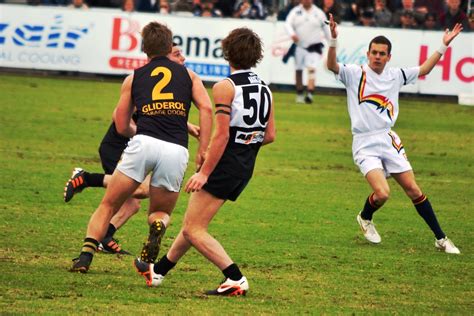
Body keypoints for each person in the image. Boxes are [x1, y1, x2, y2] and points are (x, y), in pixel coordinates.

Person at [134, 27, 276, 296]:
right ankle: (159, 271)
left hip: (225, 162)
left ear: (226, 52)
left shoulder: (225, 87)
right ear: (256, 56)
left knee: (193, 228)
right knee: (193, 223)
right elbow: (269, 135)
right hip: (245, 165)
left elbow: (221, 135)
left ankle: (235, 278)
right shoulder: (265, 88)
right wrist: (244, 146)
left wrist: (204, 172)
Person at [69, 22, 213, 273]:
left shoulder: (133, 78)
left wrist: (145, 129)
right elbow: (208, 109)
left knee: (108, 204)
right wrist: (203, 149)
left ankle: (85, 257)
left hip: (143, 143)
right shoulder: (189, 76)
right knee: (159, 211)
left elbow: (121, 123)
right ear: (170, 46)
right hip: (176, 150)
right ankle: (156, 228)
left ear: (144, 49)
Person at [326, 13, 462, 254]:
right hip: (364, 142)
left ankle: (441, 238)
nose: (377, 57)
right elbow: (331, 65)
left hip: (388, 139)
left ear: (389, 57)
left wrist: (444, 44)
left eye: (382, 53)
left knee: (413, 190)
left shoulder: (395, 75)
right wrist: (334, 40)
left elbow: (425, 68)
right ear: (367, 54)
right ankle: (365, 217)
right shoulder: (354, 73)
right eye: (374, 52)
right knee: (383, 193)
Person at [285, 0, 330, 104]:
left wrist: (331, 42)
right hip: (299, 46)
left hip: (313, 47)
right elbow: (287, 24)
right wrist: (292, 34)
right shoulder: (295, 12)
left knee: (312, 69)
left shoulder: (319, 13)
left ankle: (310, 94)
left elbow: (326, 29)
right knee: (298, 70)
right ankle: (300, 93)